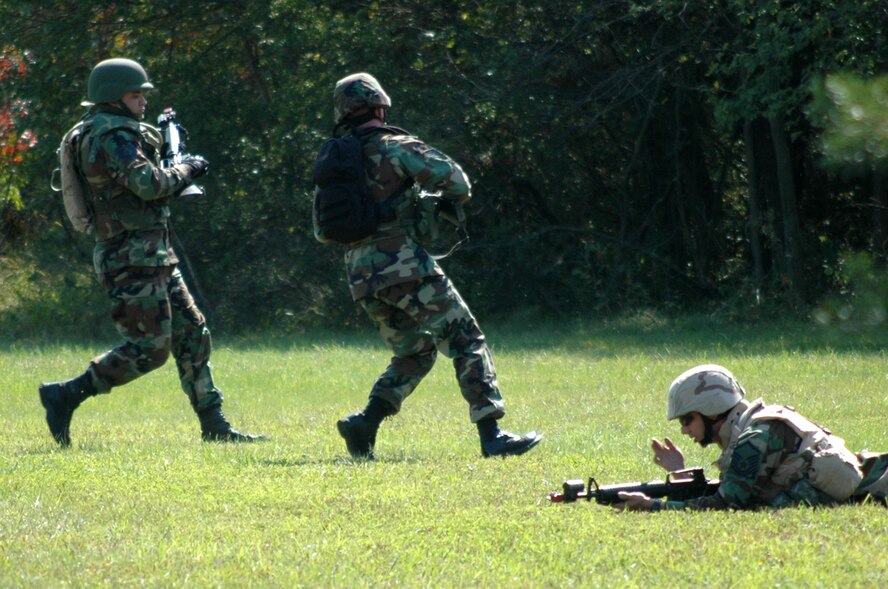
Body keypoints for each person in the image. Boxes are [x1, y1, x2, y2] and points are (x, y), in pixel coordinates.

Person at [39, 58, 264, 446]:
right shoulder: (110, 135)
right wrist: (189, 168)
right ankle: (65, 395)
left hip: (151, 254)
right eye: (135, 94)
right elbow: (148, 183)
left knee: (192, 332)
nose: (143, 100)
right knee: (150, 349)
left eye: (143, 93)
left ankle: (214, 425)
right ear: (113, 97)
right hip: (129, 257)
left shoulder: (115, 130)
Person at [315, 72, 542, 459]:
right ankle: (492, 434)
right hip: (407, 267)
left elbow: (323, 232)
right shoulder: (396, 145)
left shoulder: (335, 159)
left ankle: (364, 424)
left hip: (361, 277)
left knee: (415, 351)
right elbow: (459, 182)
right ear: (380, 105)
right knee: (466, 339)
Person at [614, 364, 887, 511]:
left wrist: (654, 506)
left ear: (711, 412)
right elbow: (735, 487)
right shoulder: (754, 426)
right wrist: (679, 473)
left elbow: (727, 503)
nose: (684, 430)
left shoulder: (753, 437)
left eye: (687, 419)